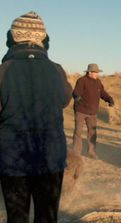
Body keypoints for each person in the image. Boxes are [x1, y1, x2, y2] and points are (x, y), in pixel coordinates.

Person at [0, 11, 72, 223]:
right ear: (44, 40)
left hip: (13, 159)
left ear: (12, 38)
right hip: (51, 157)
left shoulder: (3, 71)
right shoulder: (57, 71)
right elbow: (64, 100)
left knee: (17, 217)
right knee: (47, 217)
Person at [72, 63, 114, 159]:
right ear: (89, 72)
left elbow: (102, 93)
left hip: (93, 112)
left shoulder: (98, 82)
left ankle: (91, 152)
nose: (97, 74)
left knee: (92, 133)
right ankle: (76, 153)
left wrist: (109, 99)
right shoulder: (82, 81)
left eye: (98, 72)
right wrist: (77, 97)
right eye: (95, 72)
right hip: (81, 111)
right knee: (78, 132)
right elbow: (75, 92)